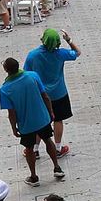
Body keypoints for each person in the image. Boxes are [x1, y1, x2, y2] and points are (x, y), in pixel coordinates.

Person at [0, 56, 65, 185]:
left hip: (26, 124)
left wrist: (14, 127)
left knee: (29, 148)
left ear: (6, 70)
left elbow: (11, 112)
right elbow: (45, 96)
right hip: (42, 118)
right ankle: (57, 167)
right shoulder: (32, 76)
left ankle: (34, 176)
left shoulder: (4, 89)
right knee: (48, 140)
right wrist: (51, 111)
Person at [24, 28, 80, 156]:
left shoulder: (33, 55)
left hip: (41, 94)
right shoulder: (60, 54)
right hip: (59, 93)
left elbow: (26, 73)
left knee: (40, 122)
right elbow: (77, 52)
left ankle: (35, 149)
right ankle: (59, 148)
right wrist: (69, 40)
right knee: (58, 120)